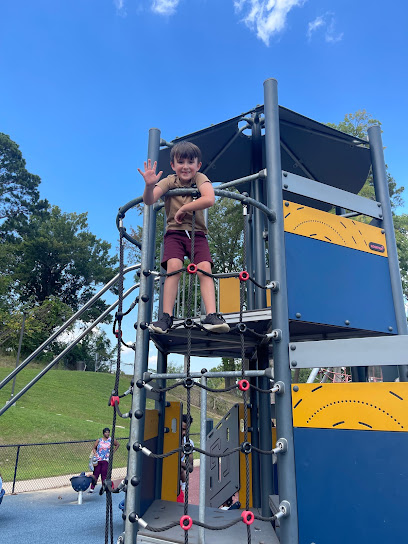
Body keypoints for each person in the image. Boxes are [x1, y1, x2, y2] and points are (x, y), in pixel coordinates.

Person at [138, 141, 230, 334]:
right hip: (175, 233)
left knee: (204, 268)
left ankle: (211, 314)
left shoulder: (200, 178)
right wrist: (149, 185)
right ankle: (166, 317)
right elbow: (149, 200)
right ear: (173, 165)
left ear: (198, 165)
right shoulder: (170, 181)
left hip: (198, 234)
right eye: (181, 162)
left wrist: (184, 209)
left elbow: (209, 198)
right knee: (173, 267)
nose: (186, 166)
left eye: (190, 162)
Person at [88, 427, 119, 493]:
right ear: (103, 433)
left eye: (108, 432)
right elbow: (94, 448)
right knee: (96, 473)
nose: (107, 434)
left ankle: (104, 487)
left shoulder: (111, 439)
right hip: (98, 459)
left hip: (106, 459)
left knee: (104, 473)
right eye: (106, 432)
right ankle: (92, 488)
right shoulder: (99, 440)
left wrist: (112, 452)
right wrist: (95, 453)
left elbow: (117, 445)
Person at [177, 414, 194, 503]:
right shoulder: (171, 441)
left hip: (180, 480)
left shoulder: (189, 443)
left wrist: (178, 463)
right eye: (182, 429)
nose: (184, 433)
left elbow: (190, 468)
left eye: (186, 430)